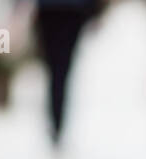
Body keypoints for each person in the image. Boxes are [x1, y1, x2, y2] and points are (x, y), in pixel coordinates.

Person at [32, 0, 101, 144]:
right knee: (62, 68)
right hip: (70, 10)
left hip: (52, 9)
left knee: (55, 68)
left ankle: (55, 118)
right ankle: (57, 119)